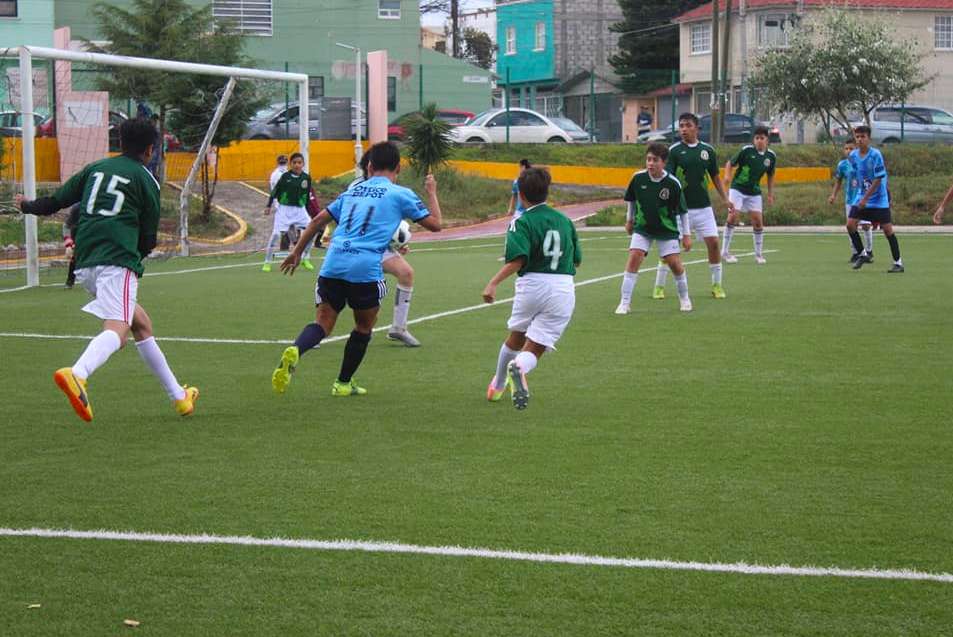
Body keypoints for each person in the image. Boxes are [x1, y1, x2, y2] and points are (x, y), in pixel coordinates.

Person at [14, 118, 198, 422]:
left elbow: (55, 202)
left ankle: (180, 397)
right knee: (118, 330)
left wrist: (27, 206)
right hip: (117, 261)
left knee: (140, 324)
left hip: (85, 261)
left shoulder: (95, 168)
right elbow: (149, 238)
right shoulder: (146, 180)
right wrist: (135, 256)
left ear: (120, 144)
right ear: (151, 150)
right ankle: (78, 373)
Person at [271, 141, 443, 397]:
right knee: (364, 327)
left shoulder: (353, 191)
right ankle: (342, 383)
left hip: (333, 263)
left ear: (370, 166)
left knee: (323, 323)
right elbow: (436, 225)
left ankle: (297, 349)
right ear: (398, 168)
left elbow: (319, 220)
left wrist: (296, 252)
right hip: (364, 268)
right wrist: (431, 191)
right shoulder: (400, 193)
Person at [483, 167, 581, 410]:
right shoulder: (566, 221)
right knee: (536, 346)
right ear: (547, 192)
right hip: (562, 287)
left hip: (532, 285)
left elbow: (518, 259)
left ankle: (497, 385)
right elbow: (577, 259)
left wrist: (493, 283)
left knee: (516, 336)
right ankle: (519, 368)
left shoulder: (522, 221)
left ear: (521, 196)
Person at [345, 151, 422, 347]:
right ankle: (321, 327)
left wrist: (397, 243)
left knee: (406, 273)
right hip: (356, 247)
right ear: (370, 166)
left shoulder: (387, 187)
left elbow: (385, 219)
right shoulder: (357, 187)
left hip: (379, 247)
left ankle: (398, 328)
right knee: (343, 287)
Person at [654, 112, 732, 300]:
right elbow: (667, 179)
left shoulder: (708, 151)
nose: (684, 129)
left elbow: (714, 177)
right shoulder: (673, 151)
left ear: (697, 128)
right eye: (681, 126)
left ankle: (717, 285)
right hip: (681, 210)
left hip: (704, 207)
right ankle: (659, 286)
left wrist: (725, 198)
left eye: (688, 125)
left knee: (713, 243)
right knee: (670, 249)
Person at [615, 143, 693, 314]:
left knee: (674, 264)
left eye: (655, 160)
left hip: (666, 229)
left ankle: (685, 298)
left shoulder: (673, 183)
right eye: (648, 159)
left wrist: (687, 235)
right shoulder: (638, 178)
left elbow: (683, 211)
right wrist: (629, 220)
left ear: (664, 162)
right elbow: (631, 200)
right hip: (643, 228)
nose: (650, 163)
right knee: (635, 257)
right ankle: (624, 302)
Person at [847, 126, 903, 273]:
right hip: (862, 196)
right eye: (857, 137)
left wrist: (866, 197)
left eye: (862, 137)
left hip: (878, 199)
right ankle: (863, 254)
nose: (859, 139)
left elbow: (879, 178)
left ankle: (898, 263)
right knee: (850, 224)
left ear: (869, 138)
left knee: (887, 230)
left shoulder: (875, 155)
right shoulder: (853, 155)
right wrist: (859, 192)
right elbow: (857, 174)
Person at [721, 126, 776, 265]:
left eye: (762, 138)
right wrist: (727, 176)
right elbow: (730, 163)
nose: (759, 141)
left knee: (758, 221)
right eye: (756, 138)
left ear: (767, 140)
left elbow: (770, 175)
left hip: (754, 191)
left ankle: (758, 255)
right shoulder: (746, 151)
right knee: (733, 216)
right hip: (738, 188)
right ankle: (725, 252)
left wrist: (770, 194)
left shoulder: (771, 157)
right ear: (753, 140)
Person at [262, 152, 314, 273]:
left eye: (299, 162)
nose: (297, 165)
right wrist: (268, 205)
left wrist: (307, 210)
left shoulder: (306, 178)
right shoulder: (285, 177)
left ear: (303, 164)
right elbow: (275, 191)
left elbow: (306, 196)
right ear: (290, 164)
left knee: (312, 230)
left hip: (300, 210)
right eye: (294, 163)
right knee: (275, 235)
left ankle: (306, 258)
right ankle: (267, 262)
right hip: (284, 209)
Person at [829, 139, 874, 262]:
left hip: (863, 200)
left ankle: (869, 251)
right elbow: (838, 181)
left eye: (851, 148)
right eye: (846, 148)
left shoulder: (863, 162)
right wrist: (833, 195)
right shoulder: (842, 165)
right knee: (851, 226)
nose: (848, 151)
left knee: (865, 225)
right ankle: (856, 252)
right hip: (850, 200)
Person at [62, 203, 81, 289]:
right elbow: (66, 226)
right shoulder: (77, 208)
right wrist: (69, 245)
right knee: (74, 257)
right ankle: (70, 281)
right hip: (77, 232)